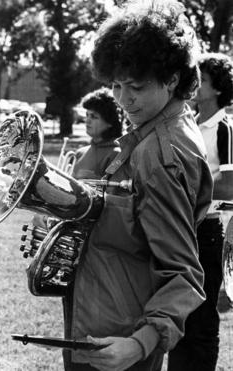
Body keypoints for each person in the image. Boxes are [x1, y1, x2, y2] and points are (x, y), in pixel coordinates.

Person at [58, 1, 215, 370]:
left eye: (137, 87)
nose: (123, 99)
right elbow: (139, 229)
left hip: (119, 341)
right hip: (108, 323)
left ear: (172, 78)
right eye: (115, 85)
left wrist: (139, 344)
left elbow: (182, 272)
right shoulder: (163, 126)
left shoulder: (159, 154)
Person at [168, 52, 233, 371]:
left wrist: (186, 187)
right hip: (179, 229)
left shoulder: (226, 128)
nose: (195, 85)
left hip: (206, 231)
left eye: (202, 80)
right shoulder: (184, 122)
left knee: (203, 319)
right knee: (177, 313)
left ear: (218, 88)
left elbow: (231, 185)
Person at [72, 87, 123, 180]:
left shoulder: (117, 155)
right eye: (87, 115)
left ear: (110, 122)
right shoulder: (79, 153)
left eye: (94, 117)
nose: (87, 121)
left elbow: (114, 192)